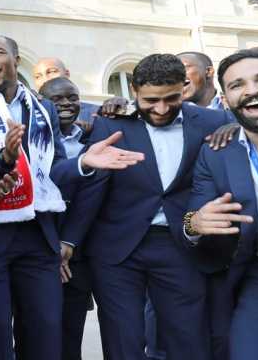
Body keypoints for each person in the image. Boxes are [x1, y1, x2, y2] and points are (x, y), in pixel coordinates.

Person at [0, 35, 144, 360]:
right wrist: (5, 159)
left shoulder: (42, 109)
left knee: (45, 327)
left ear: (15, 59)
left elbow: (51, 175)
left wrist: (82, 163)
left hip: (37, 236)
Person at [63, 54, 228, 360]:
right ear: (134, 91)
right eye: (151, 100)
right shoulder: (111, 124)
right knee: (123, 342)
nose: (161, 109)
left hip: (182, 245)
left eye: (171, 98)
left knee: (189, 339)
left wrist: (232, 130)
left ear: (185, 87)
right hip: (116, 250)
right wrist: (70, 239)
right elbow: (92, 188)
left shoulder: (214, 122)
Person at [183, 48, 258, 360]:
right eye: (237, 85)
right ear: (226, 98)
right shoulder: (217, 153)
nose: (252, 90)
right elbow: (192, 218)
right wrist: (196, 224)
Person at [38, 77, 94, 360]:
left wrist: (68, 244)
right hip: (36, 250)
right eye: (56, 99)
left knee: (71, 339)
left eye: (72, 97)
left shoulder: (92, 138)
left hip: (78, 255)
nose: (66, 104)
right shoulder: (29, 140)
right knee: (35, 338)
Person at [32, 57, 98, 122]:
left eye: (51, 72)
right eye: (38, 76)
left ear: (67, 74)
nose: (45, 79)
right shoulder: (29, 111)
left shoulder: (94, 113)